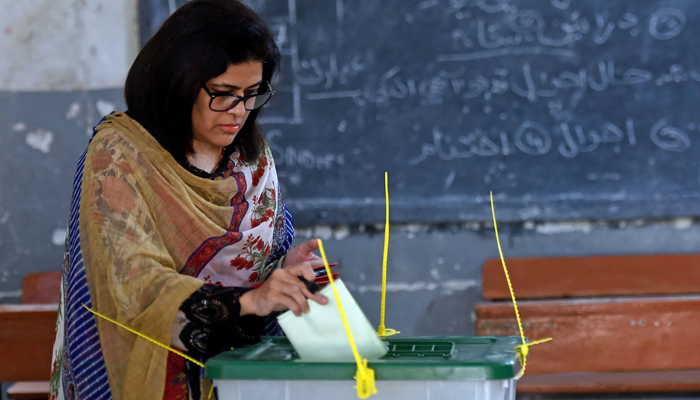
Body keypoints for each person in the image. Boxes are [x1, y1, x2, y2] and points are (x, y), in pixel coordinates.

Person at [49, 1, 329, 399]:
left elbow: (256, 271)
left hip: (240, 378)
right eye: (223, 93)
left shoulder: (251, 158)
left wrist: (285, 270)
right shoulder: (118, 155)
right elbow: (133, 288)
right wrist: (250, 299)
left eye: (252, 94)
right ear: (178, 82)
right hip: (146, 377)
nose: (240, 112)